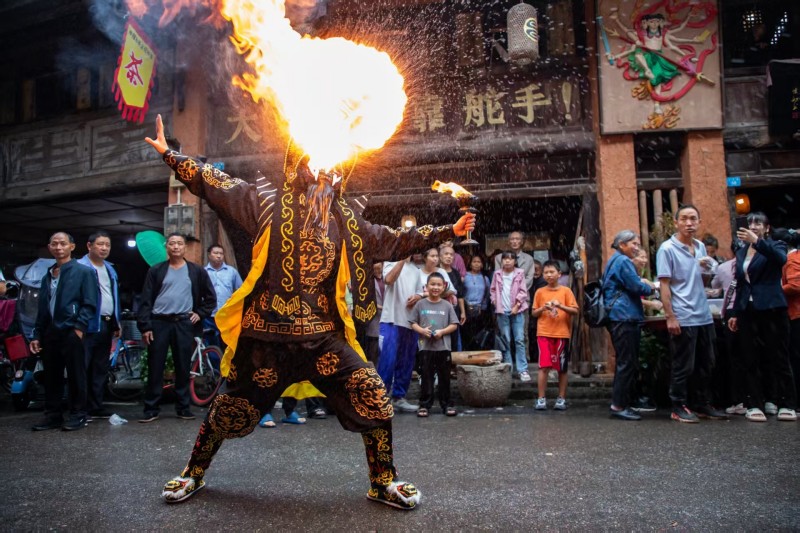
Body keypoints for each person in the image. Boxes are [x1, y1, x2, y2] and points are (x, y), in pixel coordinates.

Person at [145, 115, 475, 508]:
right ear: (298, 164)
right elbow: (216, 184)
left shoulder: (346, 220)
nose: (327, 171)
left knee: (373, 396)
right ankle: (193, 473)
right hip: (268, 339)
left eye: (336, 167)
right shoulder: (266, 204)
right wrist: (172, 156)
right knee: (228, 411)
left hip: (324, 341)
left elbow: (393, 240)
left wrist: (448, 232)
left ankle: (383, 480)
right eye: (318, 163)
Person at [656, 205, 728, 423]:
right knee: (683, 365)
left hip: (703, 313)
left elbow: (700, 280)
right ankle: (678, 405)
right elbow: (664, 285)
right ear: (676, 222)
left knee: (707, 362)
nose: (689, 223)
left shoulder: (700, 247)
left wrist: (707, 270)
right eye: (685, 219)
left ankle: (702, 403)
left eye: (693, 219)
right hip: (683, 314)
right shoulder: (667, 249)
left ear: (698, 222)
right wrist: (670, 316)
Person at [136, 232, 217, 423]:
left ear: (185, 248)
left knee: (183, 366)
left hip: (184, 323)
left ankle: (183, 407)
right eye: (172, 243)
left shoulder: (196, 271)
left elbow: (211, 298)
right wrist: (145, 326)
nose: (176, 247)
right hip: (159, 323)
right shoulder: (156, 270)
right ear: (167, 247)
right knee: (156, 365)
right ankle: (151, 409)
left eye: (179, 243)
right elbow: (145, 300)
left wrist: (200, 313)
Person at [728, 214, 797, 422]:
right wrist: (734, 313)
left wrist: (757, 242)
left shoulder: (775, 245)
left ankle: (786, 403)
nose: (753, 226)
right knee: (750, 357)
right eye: (750, 223)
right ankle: (754, 403)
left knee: (778, 356)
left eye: (758, 223)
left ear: (766, 228)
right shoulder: (740, 251)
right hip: (747, 309)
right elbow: (740, 283)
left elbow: (781, 260)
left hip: (772, 307)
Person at [30, 232, 98, 431]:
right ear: (49, 247)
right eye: (54, 244)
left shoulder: (83, 272)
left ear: (72, 247)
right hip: (51, 332)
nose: (58, 247)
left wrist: (79, 327)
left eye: (62, 244)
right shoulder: (48, 275)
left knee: (77, 375)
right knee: (52, 375)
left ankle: (78, 414)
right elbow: (43, 308)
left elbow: (90, 303)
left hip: (72, 330)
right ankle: (53, 415)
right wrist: (37, 334)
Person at [602, 231, 655, 421]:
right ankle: (618, 406)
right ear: (622, 244)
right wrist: (652, 287)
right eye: (633, 243)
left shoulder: (614, 260)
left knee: (625, 361)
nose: (637, 247)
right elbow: (636, 287)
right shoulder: (623, 261)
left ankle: (622, 402)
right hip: (624, 315)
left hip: (619, 315)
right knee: (627, 362)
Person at [78, 231, 121, 420]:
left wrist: (116, 322)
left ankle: (95, 406)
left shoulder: (110, 269)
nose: (104, 248)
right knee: (82, 367)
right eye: (100, 244)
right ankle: (79, 409)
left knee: (100, 367)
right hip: (86, 325)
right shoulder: (79, 267)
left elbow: (113, 297)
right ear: (89, 246)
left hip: (105, 323)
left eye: (108, 245)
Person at [379, 254, 425, 414]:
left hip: (409, 322)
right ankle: (381, 398)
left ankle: (399, 397)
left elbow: (421, 292)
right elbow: (389, 280)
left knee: (406, 361)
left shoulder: (416, 270)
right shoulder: (390, 262)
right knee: (387, 360)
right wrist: (401, 259)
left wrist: (418, 296)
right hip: (390, 319)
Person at [409, 272, 459, 417]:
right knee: (426, 377)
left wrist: (442, 332)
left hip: (443, 347)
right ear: (426, 286)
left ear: (444, 287)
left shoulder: (447, 305)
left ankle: (446, 404)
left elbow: (454, 324)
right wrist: (422, 331)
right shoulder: (420, 304)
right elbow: (413, 323)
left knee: (444, 377)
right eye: (432, 284)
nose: (435, 287)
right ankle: (424, 405)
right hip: (426, 348)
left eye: (438, 285)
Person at [531, 260, 578, 410]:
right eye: (546, 272)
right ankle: (541, 398)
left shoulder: (566, 291)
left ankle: (561, 398)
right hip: (544, 333)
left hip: (561, 333)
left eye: (552, 272)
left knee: (562, 368)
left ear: (559, 274)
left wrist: (560, 306)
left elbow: (575, 311)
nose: (549, 275)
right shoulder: (540, 291)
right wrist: (543, 309)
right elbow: (534, 313)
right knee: (543, 367)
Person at [490, 251, 530, 381]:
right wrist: (494, 301)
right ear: (501, 261)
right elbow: (493, 290)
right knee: (505, 340)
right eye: (505, 259)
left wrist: (517, 306)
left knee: (519, 340)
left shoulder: (520, 273)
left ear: (515, 261)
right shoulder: (497, 274)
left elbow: (523, 291)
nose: (507, 261)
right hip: (502, 311)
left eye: (510, 259)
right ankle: (508, 368)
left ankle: (522, 370)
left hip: (517, 311)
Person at [494, 232, 535, 359]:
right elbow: (497, 278)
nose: (515, 241)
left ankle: (525, 360)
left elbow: (529, 278)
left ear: (522, 241)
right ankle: (506, 360)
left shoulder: (528, 259)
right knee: (504, 333)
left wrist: (516, 292)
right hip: (503, 300)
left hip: (521, 301)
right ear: (508, 241)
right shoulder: (499, 258)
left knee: (522, 332)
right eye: (512, 239)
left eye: (517, 239)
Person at [204, 244, 243, 349]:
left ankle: (226, 365)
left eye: (221, 253)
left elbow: (241, 291)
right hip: (209, 316)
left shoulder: (231, 272)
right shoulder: (203, 272)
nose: (219, 256)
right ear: (209, 255)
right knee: (210, 344)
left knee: (226, 344)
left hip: (227, 315)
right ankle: (213, 366)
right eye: (215, 253)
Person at [776, 229, 800, 400]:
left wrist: (774, 292)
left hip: (796, 313)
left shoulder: (791, 260)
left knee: (796, 356)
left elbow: (795, 285)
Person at [439, 245, 466, 351]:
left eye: (451, 255)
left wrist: (463, 312)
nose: (449, 257)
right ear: (440, 257)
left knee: (454, 337)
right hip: (438, 308)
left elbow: (460, 294)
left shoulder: (455, 273)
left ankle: (453, 363)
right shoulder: (436, 271)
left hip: (453, 310)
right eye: (446, 254)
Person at [462, 255, 490, 350]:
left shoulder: (485, 278)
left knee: (478, 334)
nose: (477, 264)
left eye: (479, 262)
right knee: (466, 333)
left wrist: (483, 308)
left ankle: (477, 352)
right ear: (470, 264)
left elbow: (487, 294)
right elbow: (461, 293)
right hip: (466, 310)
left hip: (480, 310)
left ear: (482, 264)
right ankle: (467, 353)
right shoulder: (464, 276)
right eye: (474, 261)